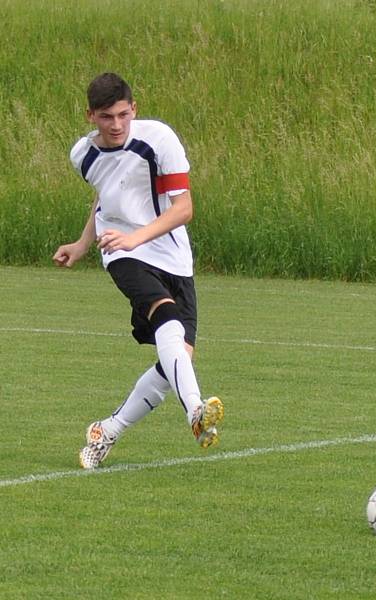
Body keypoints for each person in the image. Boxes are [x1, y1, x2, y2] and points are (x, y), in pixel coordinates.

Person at [53, 72, 224, 469]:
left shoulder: (159, 140)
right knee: (165, 317)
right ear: (90, 116)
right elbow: (105, 197)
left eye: (123, 115)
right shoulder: (82, 155)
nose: (116, 125)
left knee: (174, 362)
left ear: (135, 110)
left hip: (172, 254)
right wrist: (85, 245)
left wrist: (139, 236)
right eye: (106, 117)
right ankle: (196, 412)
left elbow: (184, 209)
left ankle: (106, 430)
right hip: (121, 252)